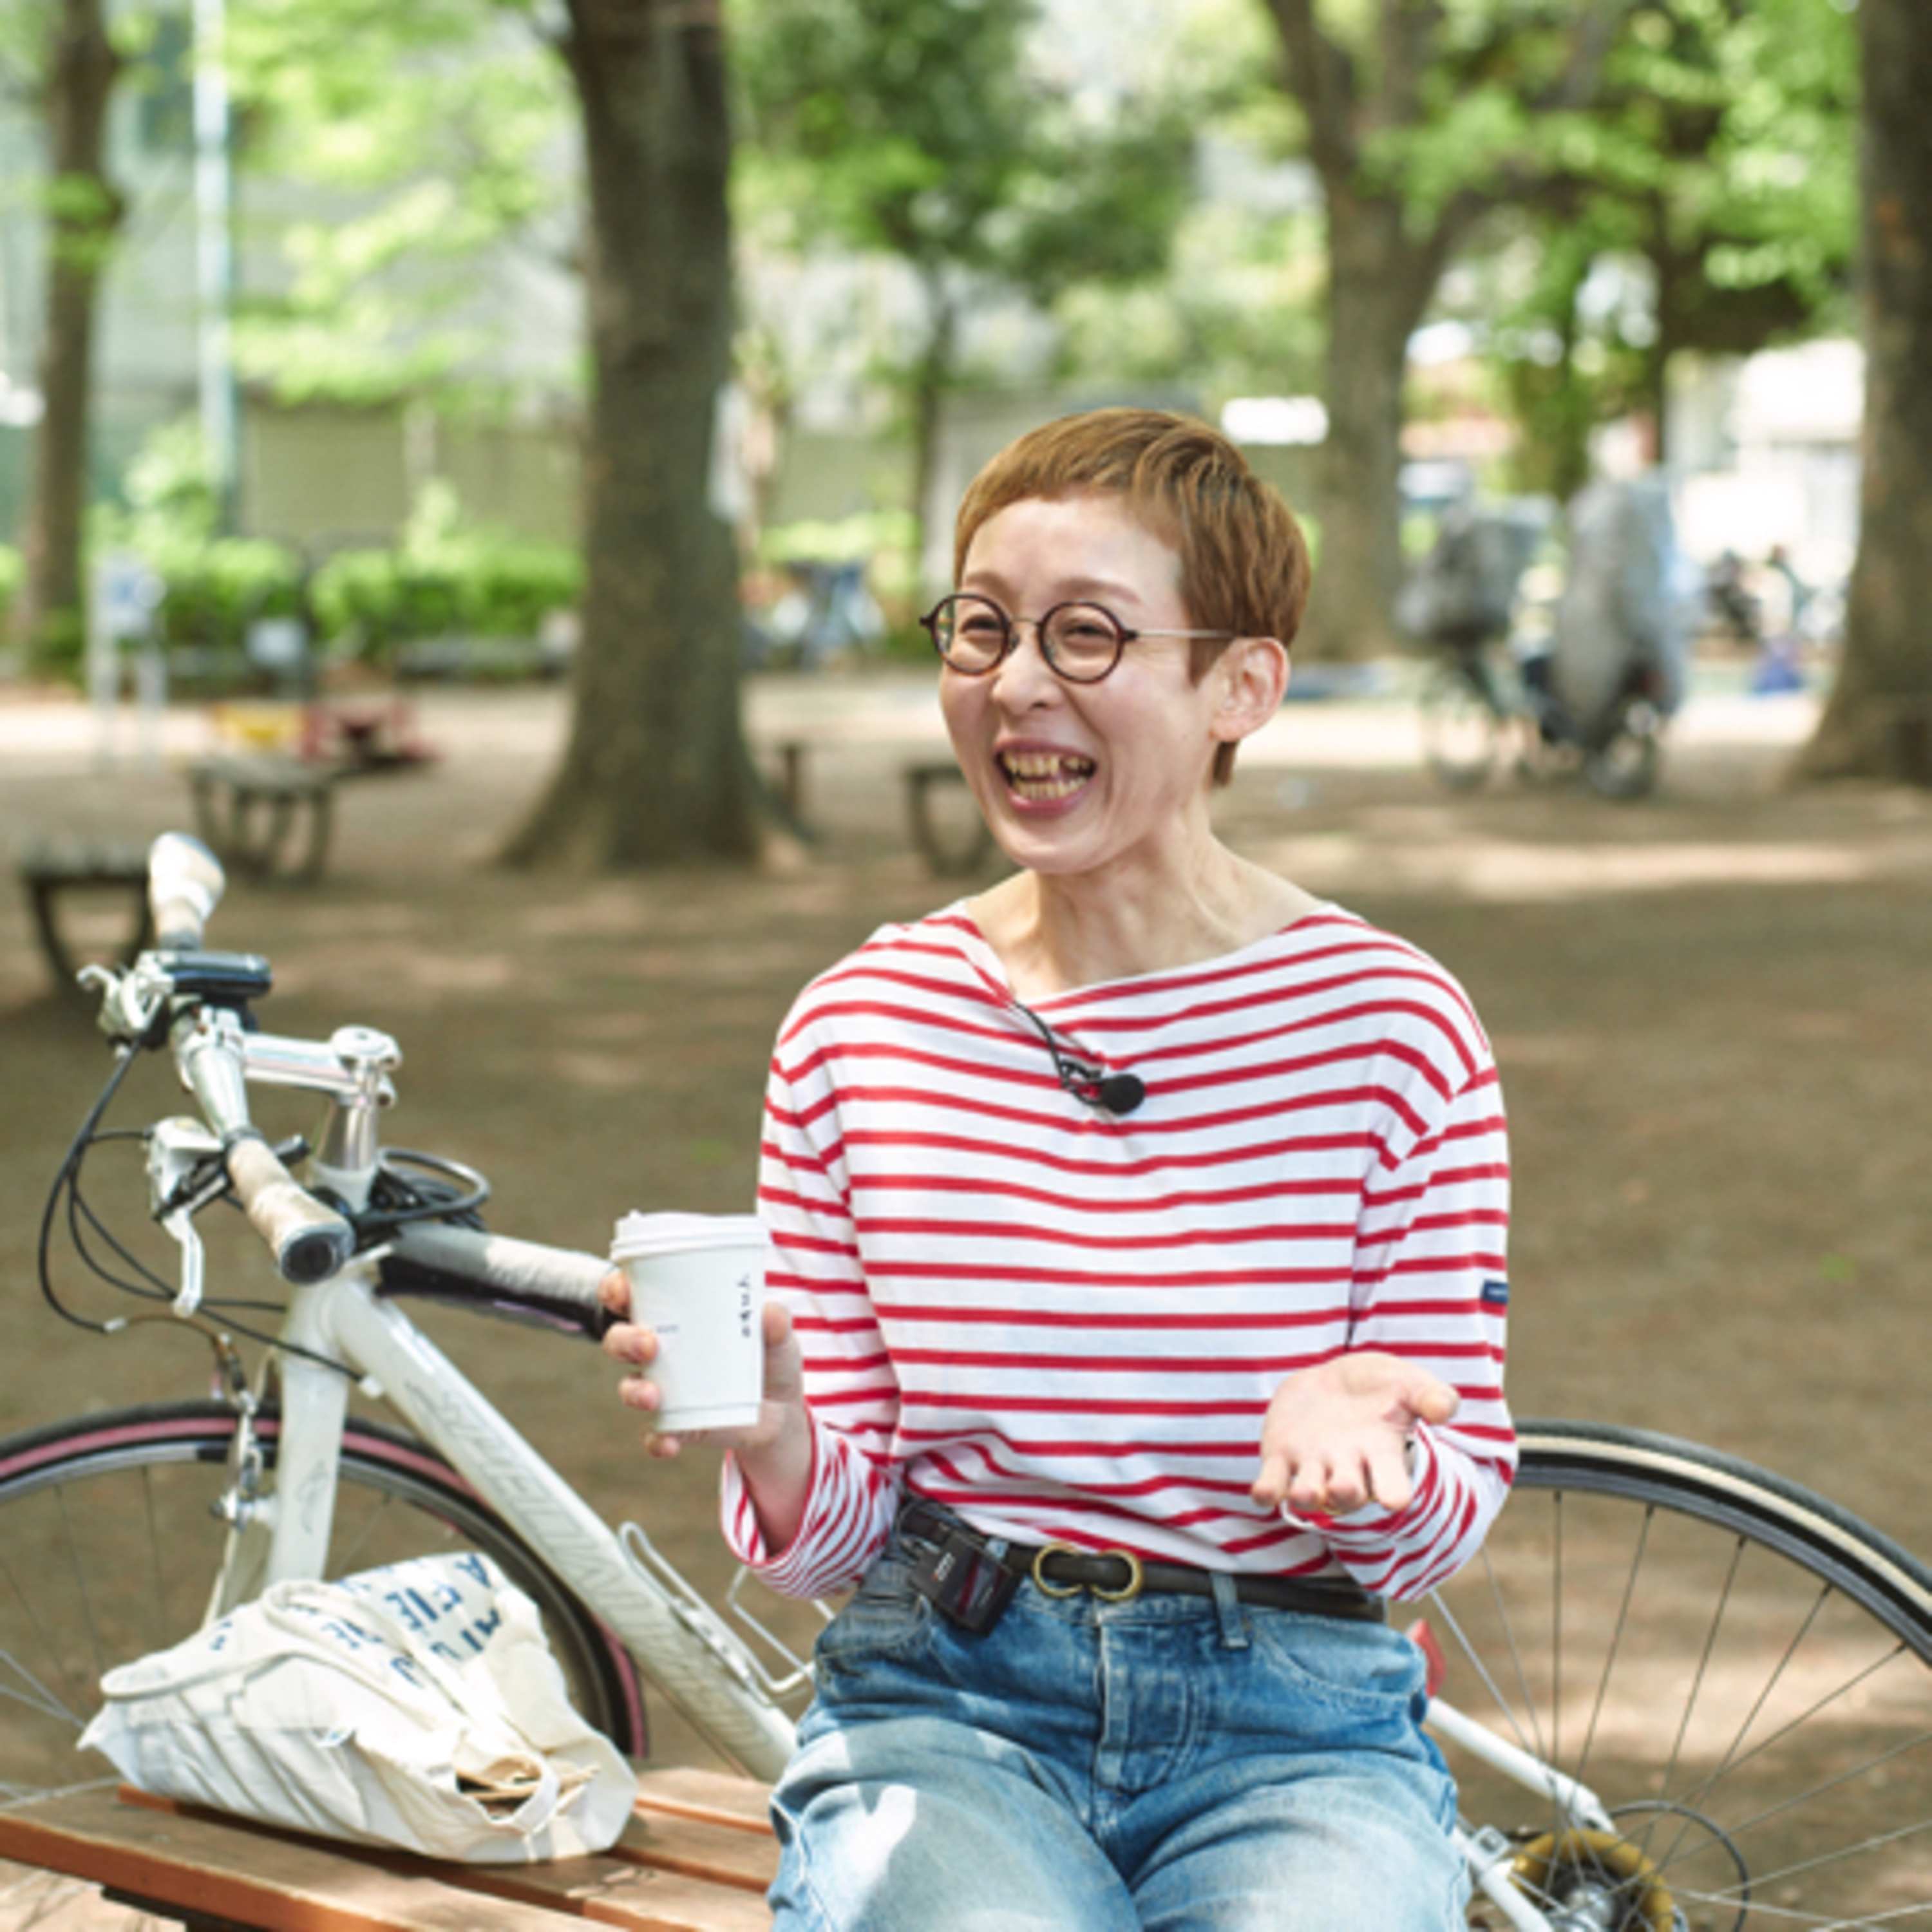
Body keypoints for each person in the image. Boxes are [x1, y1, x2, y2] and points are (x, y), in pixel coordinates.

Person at [603, 408, 1515, 1931]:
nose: (1018, 681)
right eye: (982, 628)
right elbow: (836, 1546)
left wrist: (1376, 1464)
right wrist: (777, 1432)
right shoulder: (861, 1028)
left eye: (1087, 634)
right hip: (948, 1708)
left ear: (1241, 686)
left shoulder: (1390, 1027)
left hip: (1296, 1730)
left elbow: (1450, 1511)